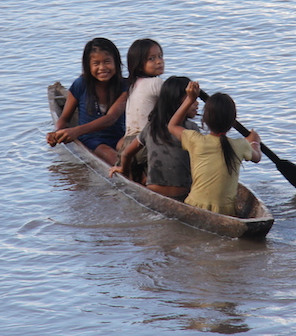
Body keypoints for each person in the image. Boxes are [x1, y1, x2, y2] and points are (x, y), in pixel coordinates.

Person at [167, 81, 260, 215]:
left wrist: (190, 99)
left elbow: (172, 125)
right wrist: (255, 141)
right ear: (232, 121)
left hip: (194, 205)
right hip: (226, 212)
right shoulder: (241, 145)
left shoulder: (195, 140)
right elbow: (257, 157)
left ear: (204, 120)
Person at [110, 75, 198, 200]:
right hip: (182, 194)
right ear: (177, 102)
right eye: (192, 99)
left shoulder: (151, 127)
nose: (197, 103)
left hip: (153, 193)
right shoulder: (190, 128)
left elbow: (126, 154)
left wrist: (124, 170)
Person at [47, 37, 128, 165]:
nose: (102, 68)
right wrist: (57, 133)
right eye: (96, 64)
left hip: (118, 137)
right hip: (91, 139)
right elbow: (65, 118)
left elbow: (111, 117)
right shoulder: (81, 85)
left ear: (116, 63)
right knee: (116, 160)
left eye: (107, 62)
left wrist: (76, 131)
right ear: (88, 66)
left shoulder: (125, 86)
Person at [118, 38, 165, 181]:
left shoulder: (133, 85)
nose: (159, 61)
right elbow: (177, 107)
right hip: (145, 145)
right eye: (151, 59)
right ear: (138, 65)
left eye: (160, 56)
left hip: (128, 145)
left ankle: (142, 177)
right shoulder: (156, 83)